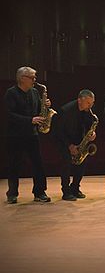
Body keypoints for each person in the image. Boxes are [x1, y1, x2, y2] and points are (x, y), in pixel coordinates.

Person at [4, 66, 51, 204]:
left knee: (38, 164)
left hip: (32, 134)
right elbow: (9, 115)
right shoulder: (11, 93)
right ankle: (12, 194)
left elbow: (38, 111)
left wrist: (46, 106)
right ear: (22, 78)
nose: (34, 80)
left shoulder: (35, 92)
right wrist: (30, 120)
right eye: (32, 77)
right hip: (15, 135)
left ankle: (40, 192)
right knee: (14, 165)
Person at [53, 89, 97, 201]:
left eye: (92, 103)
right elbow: (58, 131)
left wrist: (91, 134)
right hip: (63, 141)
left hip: (78, 140)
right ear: (80, 100)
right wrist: (69, 145)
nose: (90, 106)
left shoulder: (87, 111)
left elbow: (89, 125)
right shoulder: (65, 111)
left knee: (81, 163)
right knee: (66, 164)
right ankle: (66, 191)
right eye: (88, 103)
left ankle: (75, 188)